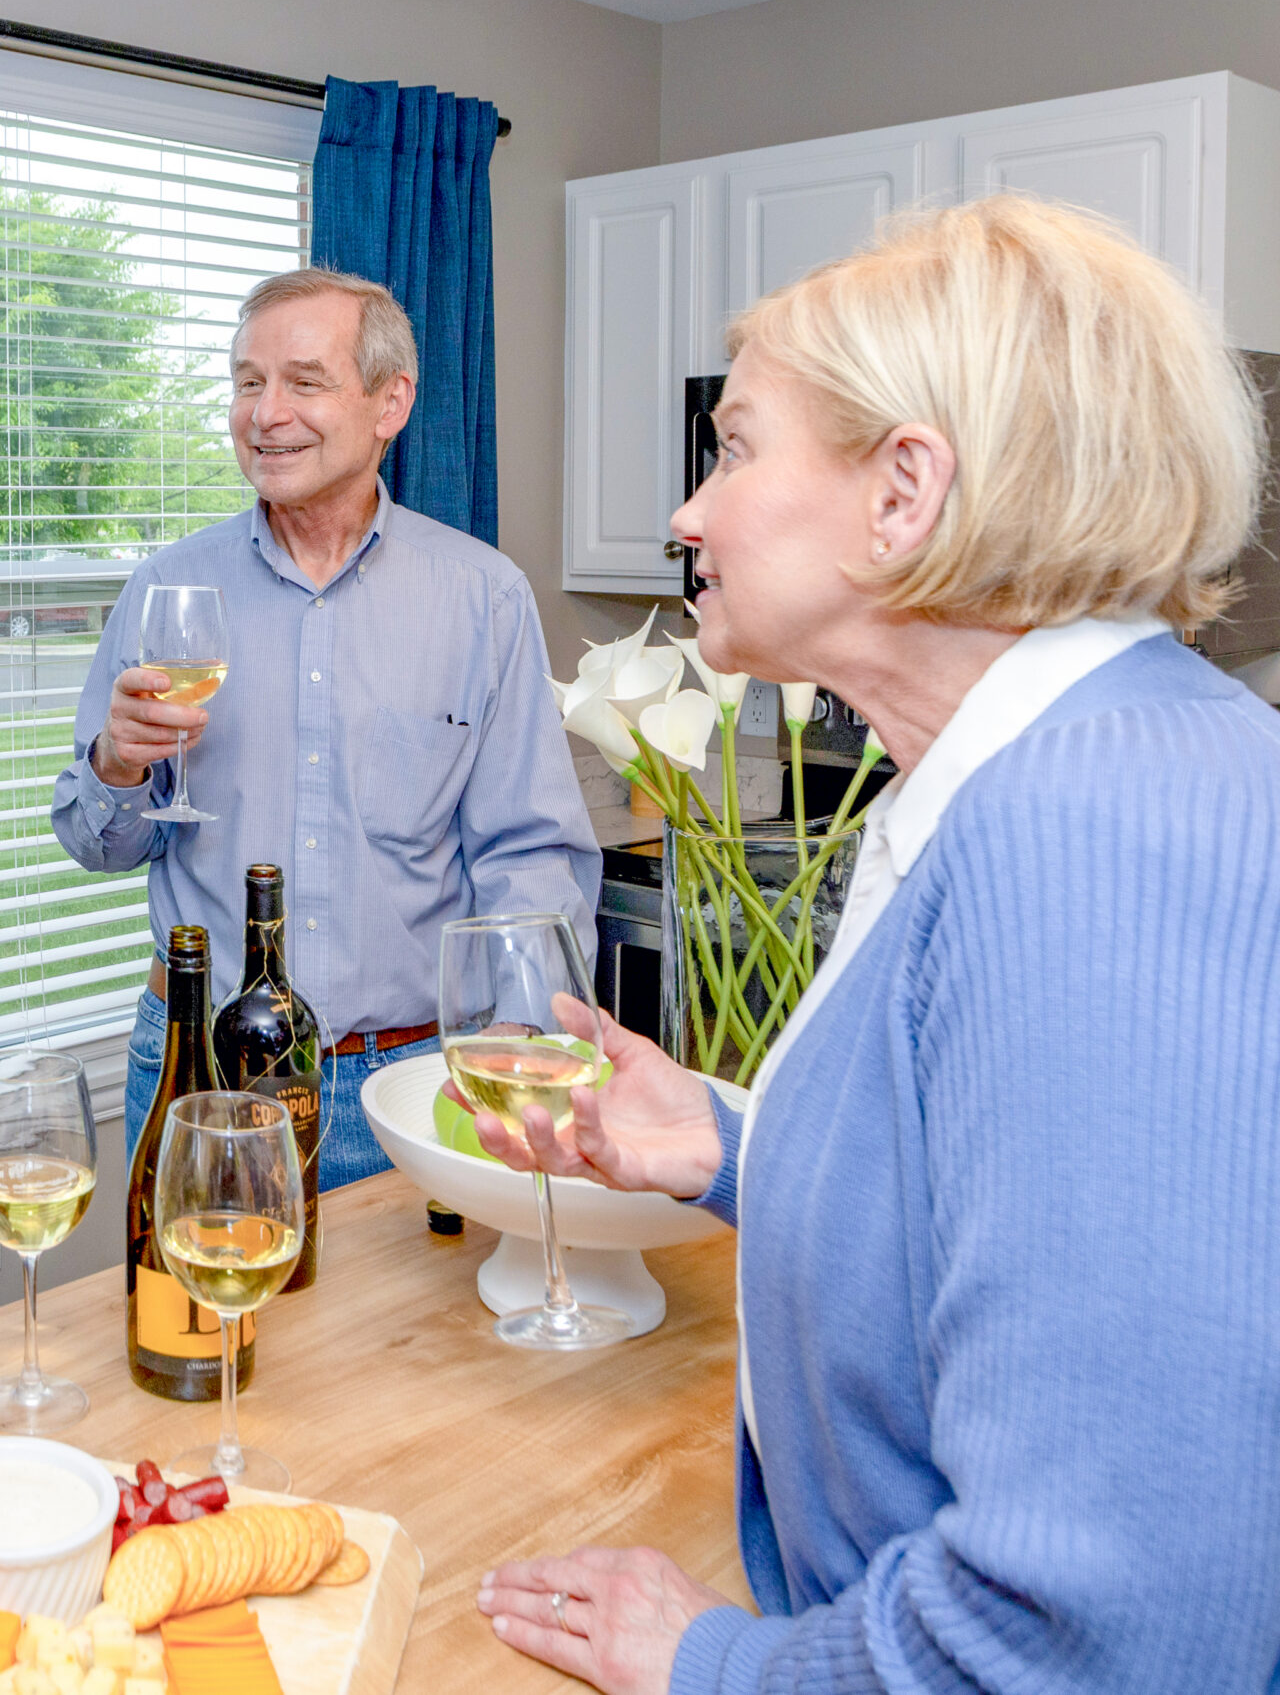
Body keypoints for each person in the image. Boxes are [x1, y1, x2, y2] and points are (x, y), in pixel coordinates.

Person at [462, 195, 1280, 1694]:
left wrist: (711, 1661)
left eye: (737, 445)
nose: (689, 514)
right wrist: (725, 1138)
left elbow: (1103, 1629)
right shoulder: (1062, 768)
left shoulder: (1091, 834)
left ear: (906, 491)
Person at [53, 266, 599, 1192]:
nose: (264, 414)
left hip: (409, 1080)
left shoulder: (483, 599)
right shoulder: (168, 591)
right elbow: (93, 839)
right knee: (193, 1330)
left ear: (391, 402)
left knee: (414, 1343)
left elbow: (529, 851)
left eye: (303, 382)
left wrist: (513, 1039)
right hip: (201, 1072)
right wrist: (118, 762)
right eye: (246, 382)